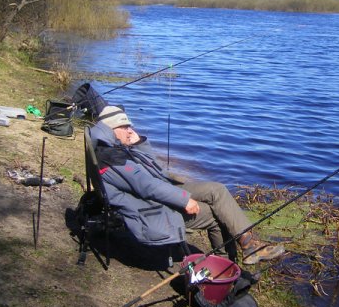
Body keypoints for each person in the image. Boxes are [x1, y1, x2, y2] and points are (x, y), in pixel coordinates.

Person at [89, 105, 285, 265]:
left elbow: (153, 169)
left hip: (160, 191)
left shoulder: (109, 148)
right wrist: (184, 200)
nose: (130, 130)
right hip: (150, 209)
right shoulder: (112, 158)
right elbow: (147, 186)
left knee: (217, 189)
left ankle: (248, 243)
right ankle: (226, 265)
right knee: (215, 216)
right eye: (125, 127)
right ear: (112, 129)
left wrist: (139, 143)